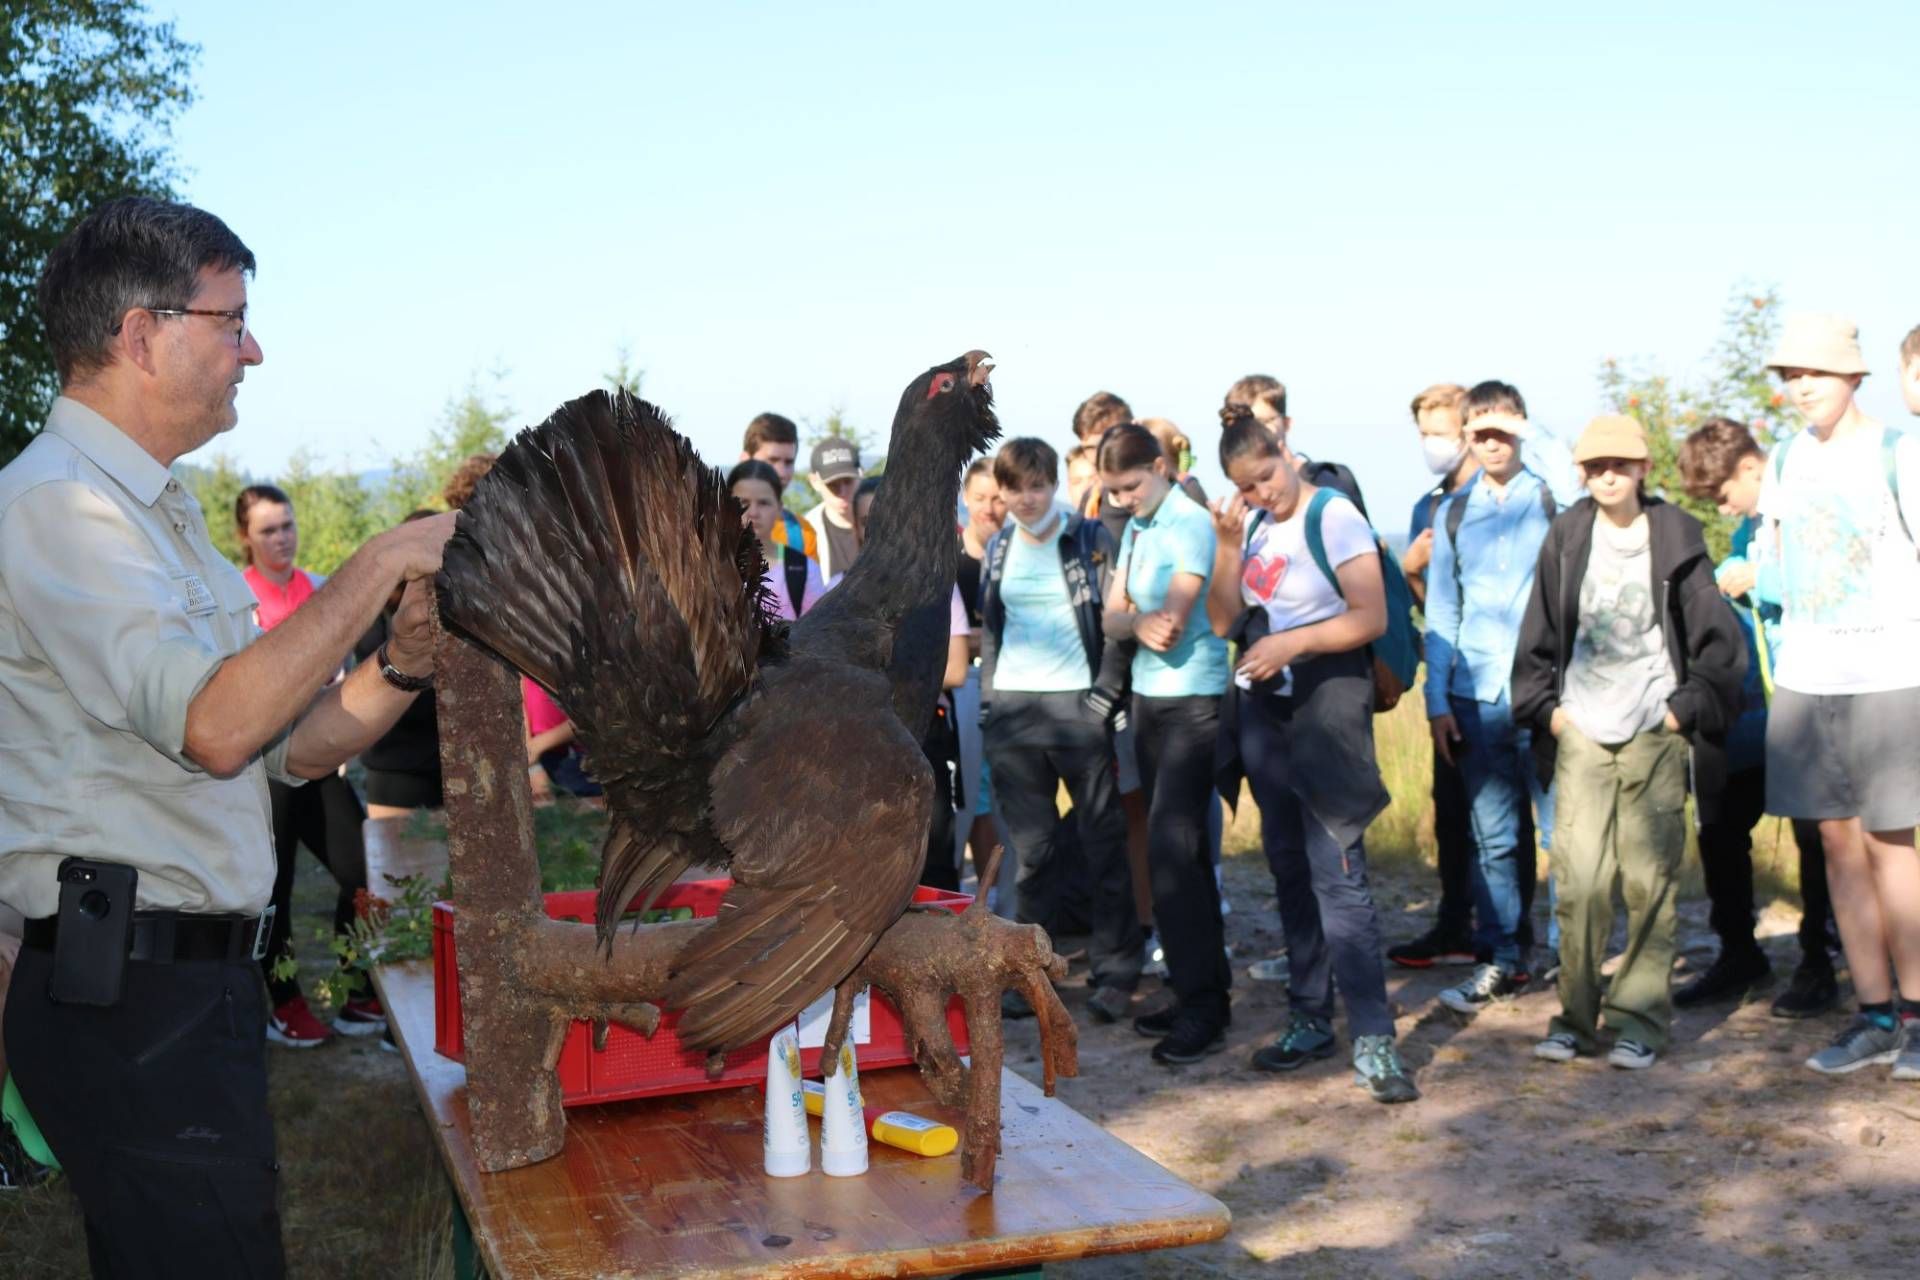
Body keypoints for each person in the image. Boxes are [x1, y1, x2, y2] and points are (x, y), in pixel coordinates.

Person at [0, 196, 455, 1274]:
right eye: (230, 318)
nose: (254, 347)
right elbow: (214, 726)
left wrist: (401, 662)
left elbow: (280, 747)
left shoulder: (155, 511)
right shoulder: (56, 508)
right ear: (140, 333)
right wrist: (382, 558)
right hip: (132, 998)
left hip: (179, 992)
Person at [1513, 414, 1744, 1070]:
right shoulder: (1567, 533)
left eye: (1620, 464)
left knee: (1648, 882)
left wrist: (1680, 713)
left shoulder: (1675, 535)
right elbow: (1539, 635)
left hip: (1652, 731)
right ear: (1581, 474)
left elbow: (1718, 644)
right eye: (1593, 466)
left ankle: (1640, 1022)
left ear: (1644, 469)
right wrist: (1550, 715)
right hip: (1582, 729)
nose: (1606, 475)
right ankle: (1574, 1021)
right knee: (1580, 884)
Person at [1205, 415, 1418, 1103]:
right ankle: (1308, 1015)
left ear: (1286, 455)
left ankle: (1376, 1040)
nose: (1261, 493)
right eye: (1246, 487)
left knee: (1341, 877)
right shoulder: (1255, 525)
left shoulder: (1335, 515)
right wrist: (1228, 546)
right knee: (1288, 865)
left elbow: (1372, 617)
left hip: (1330, 708)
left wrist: (1293, 645)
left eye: (1266, 476)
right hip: (1269, 717)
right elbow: (1220, 620)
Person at [1751, 313, 1920, 1080]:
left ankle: (1917, 1017)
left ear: (1853, 377)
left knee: (1893, 848)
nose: (1800, 388)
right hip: (1808, 676)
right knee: (1836, 847)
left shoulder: (1902, 453)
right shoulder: (1785, 460)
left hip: (1891, 672)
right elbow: (1778, 567)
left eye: (1814, 373)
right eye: (1790, 377)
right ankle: (1875, 1016)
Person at [1674, 419, 1837, 1016]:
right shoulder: (1749, 524)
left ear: (1748, 467)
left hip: (1813, 699)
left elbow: (1838, 585)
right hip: (1751, 708)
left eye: (1721, 494)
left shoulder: (1806, 507)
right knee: (1717, 824)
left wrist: (1761, 579)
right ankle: (1739, 954)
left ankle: (1819, 961)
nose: (1721, 507)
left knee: (1818, 837)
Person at [979, 438, 1137, 1022]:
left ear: (1055, 484)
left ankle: (1118, 971)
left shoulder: (1091, 539)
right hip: (1016, 716)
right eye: (1015, 487)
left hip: (1079, 709)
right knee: (1032, 853)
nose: (1026, 498)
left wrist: (1103, 697)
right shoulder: (999, 547)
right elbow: (992, 629)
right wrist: (992, 702)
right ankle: (1028, 977)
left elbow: (1120, 619)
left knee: (1102, 843)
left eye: (1037, 485)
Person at [1423, 381, 1563, 1013]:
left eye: (1501, 428)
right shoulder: (1453, 513)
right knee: (1495, 839)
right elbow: (1443, 613)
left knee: (1566, 832)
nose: (1490, 440)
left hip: (1548, 693)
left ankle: (1566, 952)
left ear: (1521, 428)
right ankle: (1504, 957)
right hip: (1474, 695)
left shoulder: (1554, 497)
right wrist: (1436, 701)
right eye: (1477, 430)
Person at [1099, 422, 1233, 1064]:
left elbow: (1171, 625)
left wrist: (1139, 620)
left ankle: (1206, 1005)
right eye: (1115, 491)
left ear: (1160, 466)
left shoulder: (1188, 522)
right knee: (1167, 853)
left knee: (1178, 852)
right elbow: (1113, 617)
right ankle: (1191, 988)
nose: (1124, 499)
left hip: (1194, 704)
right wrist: (1133, 621)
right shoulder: (1140, 527)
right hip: (1149, 703)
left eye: (1131, 485)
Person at [234, 483, 380, 1046]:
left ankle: (358, 991)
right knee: (275, 889)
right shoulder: (234, 599)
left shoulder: (319, 588)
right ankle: (285, 1003)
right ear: (245, 536)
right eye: (269, 529)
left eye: (288, 525)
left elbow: (345, 668)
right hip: (262, 768)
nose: (282, 538)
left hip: (320, 760)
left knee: (363, 873)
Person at [1388, 382, 1490, 970]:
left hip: (1498, 675)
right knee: (1450, 810)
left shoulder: (1501, 497)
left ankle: (1514, 937)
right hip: (1447, 675)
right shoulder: (1426, 507)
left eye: (1442, 431)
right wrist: (1411, 571)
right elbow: (1428, 604)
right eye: (1424, 433)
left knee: (1503, 819)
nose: (1434, 444)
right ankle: (1455, 926)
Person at [354, 510, 447, 820]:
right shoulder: (375, 614)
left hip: (449, 762)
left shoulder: (461, 608)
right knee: (401, 866)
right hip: (397, 768)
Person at [954, 458, 1006, 878]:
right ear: (965, 499)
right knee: (972, 798)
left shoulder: (1018, 555)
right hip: (961, 687)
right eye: (980, 498)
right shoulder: (947, 559)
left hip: (1010, 688)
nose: (989, 508)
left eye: (998, 498)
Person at [729, 458, 824, 621]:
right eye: (743, 502)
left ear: (779, 508)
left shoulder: (803, 569)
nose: (753, 512)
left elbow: (819, 628)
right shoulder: (708, 567)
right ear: (727, 505)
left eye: (764, 503)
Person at [739, 411, 817, 561]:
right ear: (745, 460)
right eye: (772, 460)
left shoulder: (802, 534)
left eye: (788, 462)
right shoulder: (712, 525)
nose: (781, 472)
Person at [803, 437, 862, 580]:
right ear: (814, 481)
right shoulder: (804, 533)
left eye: (848, 481)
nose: (842, 493)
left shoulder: (884, 523)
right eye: (833, 485)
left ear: (860, 475)